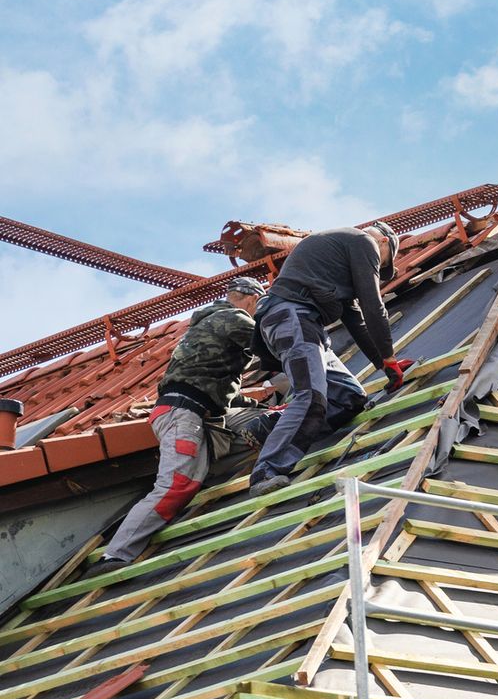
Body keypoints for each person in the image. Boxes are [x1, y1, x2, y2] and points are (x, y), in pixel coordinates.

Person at [99, 276, 268, 565]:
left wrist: (258, 402)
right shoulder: (234, 317)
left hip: (191, 412)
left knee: (258, 424)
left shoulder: (208, 325)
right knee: (178, 482)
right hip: (184, 414)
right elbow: (271, 340)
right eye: (258, 304)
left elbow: (222, 393)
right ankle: (115, 553)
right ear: (252, 298)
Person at [248, 222, 413, 496]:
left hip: (303, 324)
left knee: (350, 398)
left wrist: (384, 363)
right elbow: (373, 306)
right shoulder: (364, 242)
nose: (375, 268)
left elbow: (357, 320)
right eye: (382, 263)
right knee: (311, 396)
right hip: (293, 316)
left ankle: (274, 427)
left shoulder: (336, 261)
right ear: (384, 242)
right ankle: (267, 470)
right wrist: (389, 355)